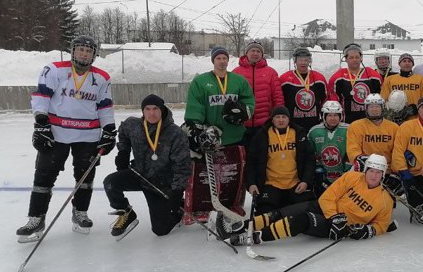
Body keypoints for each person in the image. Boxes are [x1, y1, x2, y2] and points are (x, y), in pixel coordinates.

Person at [18, 35, 116, 242]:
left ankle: (80, 212)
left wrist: (109, 130)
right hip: (56, 133)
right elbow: (42, 96)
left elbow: (105, 107)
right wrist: (41, 123)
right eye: (80, 49)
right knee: (44, 175)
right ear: (72, 51)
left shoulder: (102, 77)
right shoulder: (54, 70)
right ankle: (36, 217)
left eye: (88, 51)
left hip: (87, 135)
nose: (84, 53)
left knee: (85, 177)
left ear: (94, 55)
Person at [224, 154, 394, 245]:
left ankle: (255, 237)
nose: (374, 175)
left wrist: (368, 231)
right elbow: (328, 196)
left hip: (338, 227)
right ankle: (242, 227)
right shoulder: (352, 178)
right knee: (280, 213)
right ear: (366, 170)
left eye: (378, 172)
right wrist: (334, 215)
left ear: (383, 175)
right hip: (326, 210)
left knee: (300, 220)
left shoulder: (385, 200)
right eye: (371, 170)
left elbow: (382, 224)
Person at [105, 94, 191, 239]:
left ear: (162, 110)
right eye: (147, 109)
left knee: (160, 230)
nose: (151, 113)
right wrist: (124, 152)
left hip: (161, 185)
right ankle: (126, 212)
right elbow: (123, 132)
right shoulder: (134, 125)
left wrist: (177, 191)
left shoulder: (175, 133)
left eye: (155, 109)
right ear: (142, 111)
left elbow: (182, 166)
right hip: (138, 174)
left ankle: (178, 211)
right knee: (110, 183)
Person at [245, 106, 315, 214]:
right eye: (277, 117)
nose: (281, 120)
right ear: (272, 119)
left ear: (289, 119)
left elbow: (309, 160)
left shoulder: (298, 133)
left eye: (284, 117)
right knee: (264, 213)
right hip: (271, 185)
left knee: (306, 212)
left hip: (295, 184)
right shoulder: (262, 135)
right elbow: (251, 162)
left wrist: (305, 181)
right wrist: (251, 183)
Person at [184, 46, 255, 151]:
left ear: (228, 60)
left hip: (235, 136)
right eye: (218, 58)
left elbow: (249, 100)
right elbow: (195, 106)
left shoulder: (239, 80)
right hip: (210, 137)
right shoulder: (200, 82)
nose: (222, 61)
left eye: (224, 58)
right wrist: (197, 128)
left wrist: (243, 111)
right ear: (213, 61)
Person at [234, 40, 284, 148]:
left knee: (262, 156)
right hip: (242, 124)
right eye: (252, 50)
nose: (255, 53)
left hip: (264, 124)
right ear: (246, 53)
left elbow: (278, 97)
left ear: (262, 54)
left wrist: (278, 118)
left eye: (258, 51)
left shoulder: (271, 72)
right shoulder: (236, 72)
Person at [327, 43, 382, 123]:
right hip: (347, 120)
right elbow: (333, 100)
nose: (354, 60)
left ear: (361, 58)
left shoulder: (372, 75)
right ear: (346, 59)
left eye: (357, 57)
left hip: (370, 120)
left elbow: (380, 96)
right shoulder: (338, 77)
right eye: (351, 57)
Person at [280, 47, 329, 133]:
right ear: (295, 61)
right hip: (292, 124)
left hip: (314, 123)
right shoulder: (285, 79)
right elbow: (280, 101)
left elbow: (325, 100)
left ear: (310, 61)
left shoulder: (319, 78)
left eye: (306, 60)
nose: (303, 62)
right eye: (300, 60)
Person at [307, 101, 351, 195]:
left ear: (340, 116)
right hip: (322, 176)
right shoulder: (314, 131)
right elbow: (310, 155)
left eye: (336, 115)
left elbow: (352, 152)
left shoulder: (349, 130)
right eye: (330, 115)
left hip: (344, 176)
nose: (333, 118)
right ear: (323, 116)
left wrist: (347, 172)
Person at [347, 93, 399, 171]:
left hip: (387, 168)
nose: (374, 109)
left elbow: (398, 150)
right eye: (371, 106)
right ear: (366, 109)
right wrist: (363, 161)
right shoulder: (355, 126)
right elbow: (353, 150)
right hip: (365, 166)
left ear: (382, 108)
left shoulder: (394, 127)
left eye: (377, 106)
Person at [381, 53, 423, 120]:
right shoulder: (390, 80)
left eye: (409, 61)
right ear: (399, 64)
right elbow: (384, 98)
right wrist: (390, 111)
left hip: (415, 118)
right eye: (404, 61)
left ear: (412, 64)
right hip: (395, 118)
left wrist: (415, 108)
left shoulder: (421, 79)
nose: (407, 63)